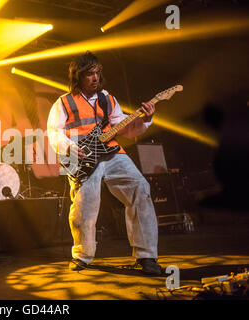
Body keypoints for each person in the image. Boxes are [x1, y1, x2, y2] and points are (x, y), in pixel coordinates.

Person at [47, 51, 163, 275]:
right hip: (83, 158)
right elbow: (54, 133)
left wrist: (145, 119)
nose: (95, 78)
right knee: (84, 207)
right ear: (78, 76)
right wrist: (70, 148)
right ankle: (82, 255)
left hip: (112, 153)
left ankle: (146, 256)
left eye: (98, 73)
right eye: (89, 74)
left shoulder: (108, 99)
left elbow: (126, 129)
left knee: (141, 188)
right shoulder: (63, 102)